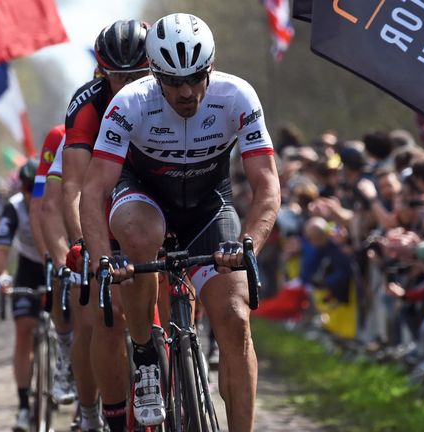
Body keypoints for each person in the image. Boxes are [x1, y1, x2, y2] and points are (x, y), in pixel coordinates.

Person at [81, 13, 280, 430]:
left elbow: (267, 187)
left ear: (210, 67)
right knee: (140, 233)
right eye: (173, 81)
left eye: (195, 77)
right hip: (144, 199)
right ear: (154, 74)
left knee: (235, 320)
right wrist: (103, 260)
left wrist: (247, 245)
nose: (186, 91)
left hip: (209, 207)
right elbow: (96, 188)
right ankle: (145, 355)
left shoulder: (237, 96)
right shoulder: (129, 103)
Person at [60, 19, 150, 432]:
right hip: (106, 207)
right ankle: (109, 417)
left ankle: (181, 357)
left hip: (158, 201)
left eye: (138, 74)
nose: (129, 84)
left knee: (171, 289)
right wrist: (83, 244)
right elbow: (76, 185)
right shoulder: (86, 106)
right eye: (119, 76)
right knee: (108, 313)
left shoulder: (170, 93)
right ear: (102, 72)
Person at [0, 160, 47, 432]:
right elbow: (0, 251)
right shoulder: (13, 207)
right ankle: (24, 406)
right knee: (24, 329)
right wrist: (2, 276)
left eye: (35, 188)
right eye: (26, 188)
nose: (29, 194)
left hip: (56, 265)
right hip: (28, 269)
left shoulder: (57, 198)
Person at [27, 124, 77, 405]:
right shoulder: (60, 136)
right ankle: (66, 351)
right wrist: (50, 256)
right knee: (61, 277)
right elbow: (39, 206)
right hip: (66, 227)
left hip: (109, 218)